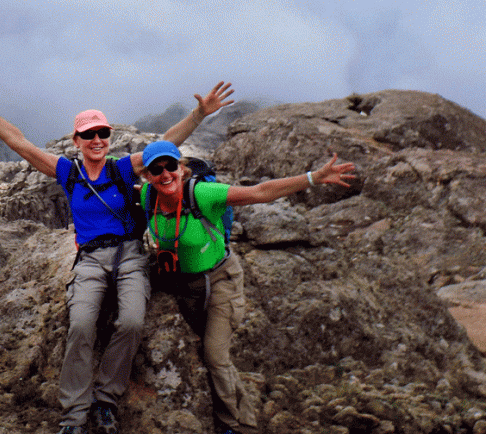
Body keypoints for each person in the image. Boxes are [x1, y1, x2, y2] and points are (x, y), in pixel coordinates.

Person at [0, 71, 235, 434]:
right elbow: (19, 143)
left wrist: (199, 115)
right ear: (77, 140)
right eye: (89, 135)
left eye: (102, 133)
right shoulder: (67, 172)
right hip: (91, 258)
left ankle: (106, 401)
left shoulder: (120, 168)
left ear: (108, 136)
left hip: (130, 254)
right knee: (81, 325)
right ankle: (73, 414)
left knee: (131, 321)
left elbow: (163, 146)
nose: (97, 140)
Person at [139, 140, 356, 434]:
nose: (165, 174)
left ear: (182, 168)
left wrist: (312, 178)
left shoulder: (202, 194)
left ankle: (239, 425)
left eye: (171, 166)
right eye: (156, 169)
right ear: (147, 175)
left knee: (214, 354)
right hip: (184, 284)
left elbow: (260, 192)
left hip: (220, 280)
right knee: (212, 355)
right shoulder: (148, 198)